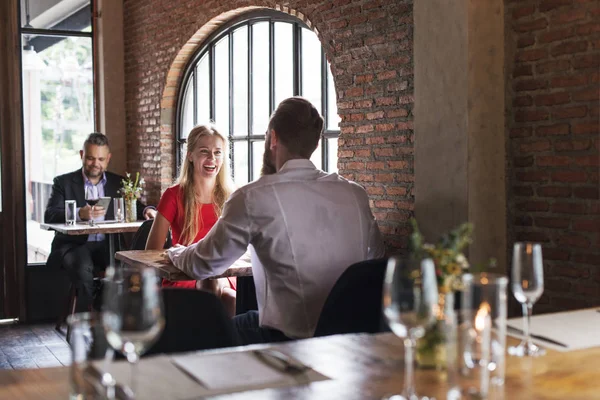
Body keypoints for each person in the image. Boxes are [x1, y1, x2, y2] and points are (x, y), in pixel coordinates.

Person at [168, 96, 385, 344]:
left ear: (273, 138)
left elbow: (203, 264)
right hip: (351, 335)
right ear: (315, 143)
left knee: (207, 334)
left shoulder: (252, 196)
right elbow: (375, 258)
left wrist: (176, 252)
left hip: (289, 339)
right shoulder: (355, 193)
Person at [45, 133, 156, 312]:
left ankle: (117, 316)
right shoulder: (63, 183)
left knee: (132, 269)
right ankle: (90, 322)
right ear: (82, 155)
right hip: (74, 246)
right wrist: (79, 213)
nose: (95, 163)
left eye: (100, 159)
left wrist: (147, 210)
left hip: (109, 244)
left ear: (108, 159)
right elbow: (50, 214)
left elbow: (137, 205)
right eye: (90, 158)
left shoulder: (118, 182)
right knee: (83, 270)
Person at [145, 124, 237, 316]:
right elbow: (151, 251)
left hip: (224, 274)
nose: (212, 158)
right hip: (183, 273)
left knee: (229, 295)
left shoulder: (232, 196)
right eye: (204, 151)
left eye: (217, 152)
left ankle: (215, 344)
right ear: (190, 155)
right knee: (217, 288)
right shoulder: (173, 195)